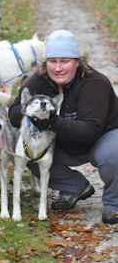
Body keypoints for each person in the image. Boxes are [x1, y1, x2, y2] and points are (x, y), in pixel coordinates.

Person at [8, 29, 118, 224]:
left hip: (102, 137)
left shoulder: (94, 83)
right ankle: (75, 187)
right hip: (64, 140)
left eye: (65, 61)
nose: (58, 68)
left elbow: (90, 132)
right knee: (29, 150)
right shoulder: (40, 80)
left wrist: (52, 122)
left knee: (113, 155)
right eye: (52, 61)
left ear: (77, 61)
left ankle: (113, 203)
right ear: (46, 62)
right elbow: (14, 113)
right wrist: (30, 114)